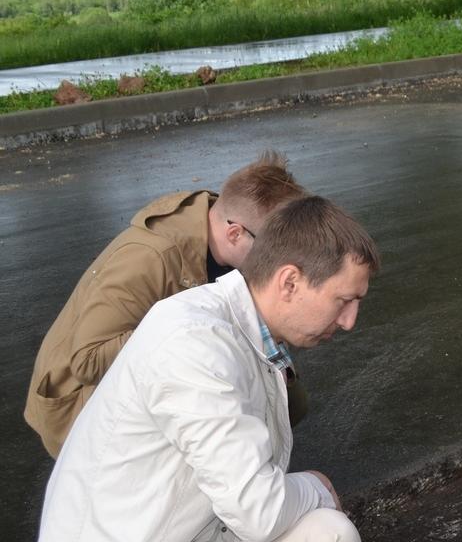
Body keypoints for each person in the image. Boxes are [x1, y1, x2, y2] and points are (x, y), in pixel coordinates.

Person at [8, 197, 398, 542]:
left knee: (322, 537)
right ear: (289, 281)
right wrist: (314, 487)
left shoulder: (233, 326)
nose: (351, 321)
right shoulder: (195, 344)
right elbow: (261, 512)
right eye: (345, 300)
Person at [24, 149, 309, 459]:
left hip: (145, 380)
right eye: (273, 251)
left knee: (287, 405)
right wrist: (203, 333)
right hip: (79, 409)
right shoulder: (150, 257)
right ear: (235, 233)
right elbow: (87, 360)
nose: (278, 262)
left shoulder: (226, 229)